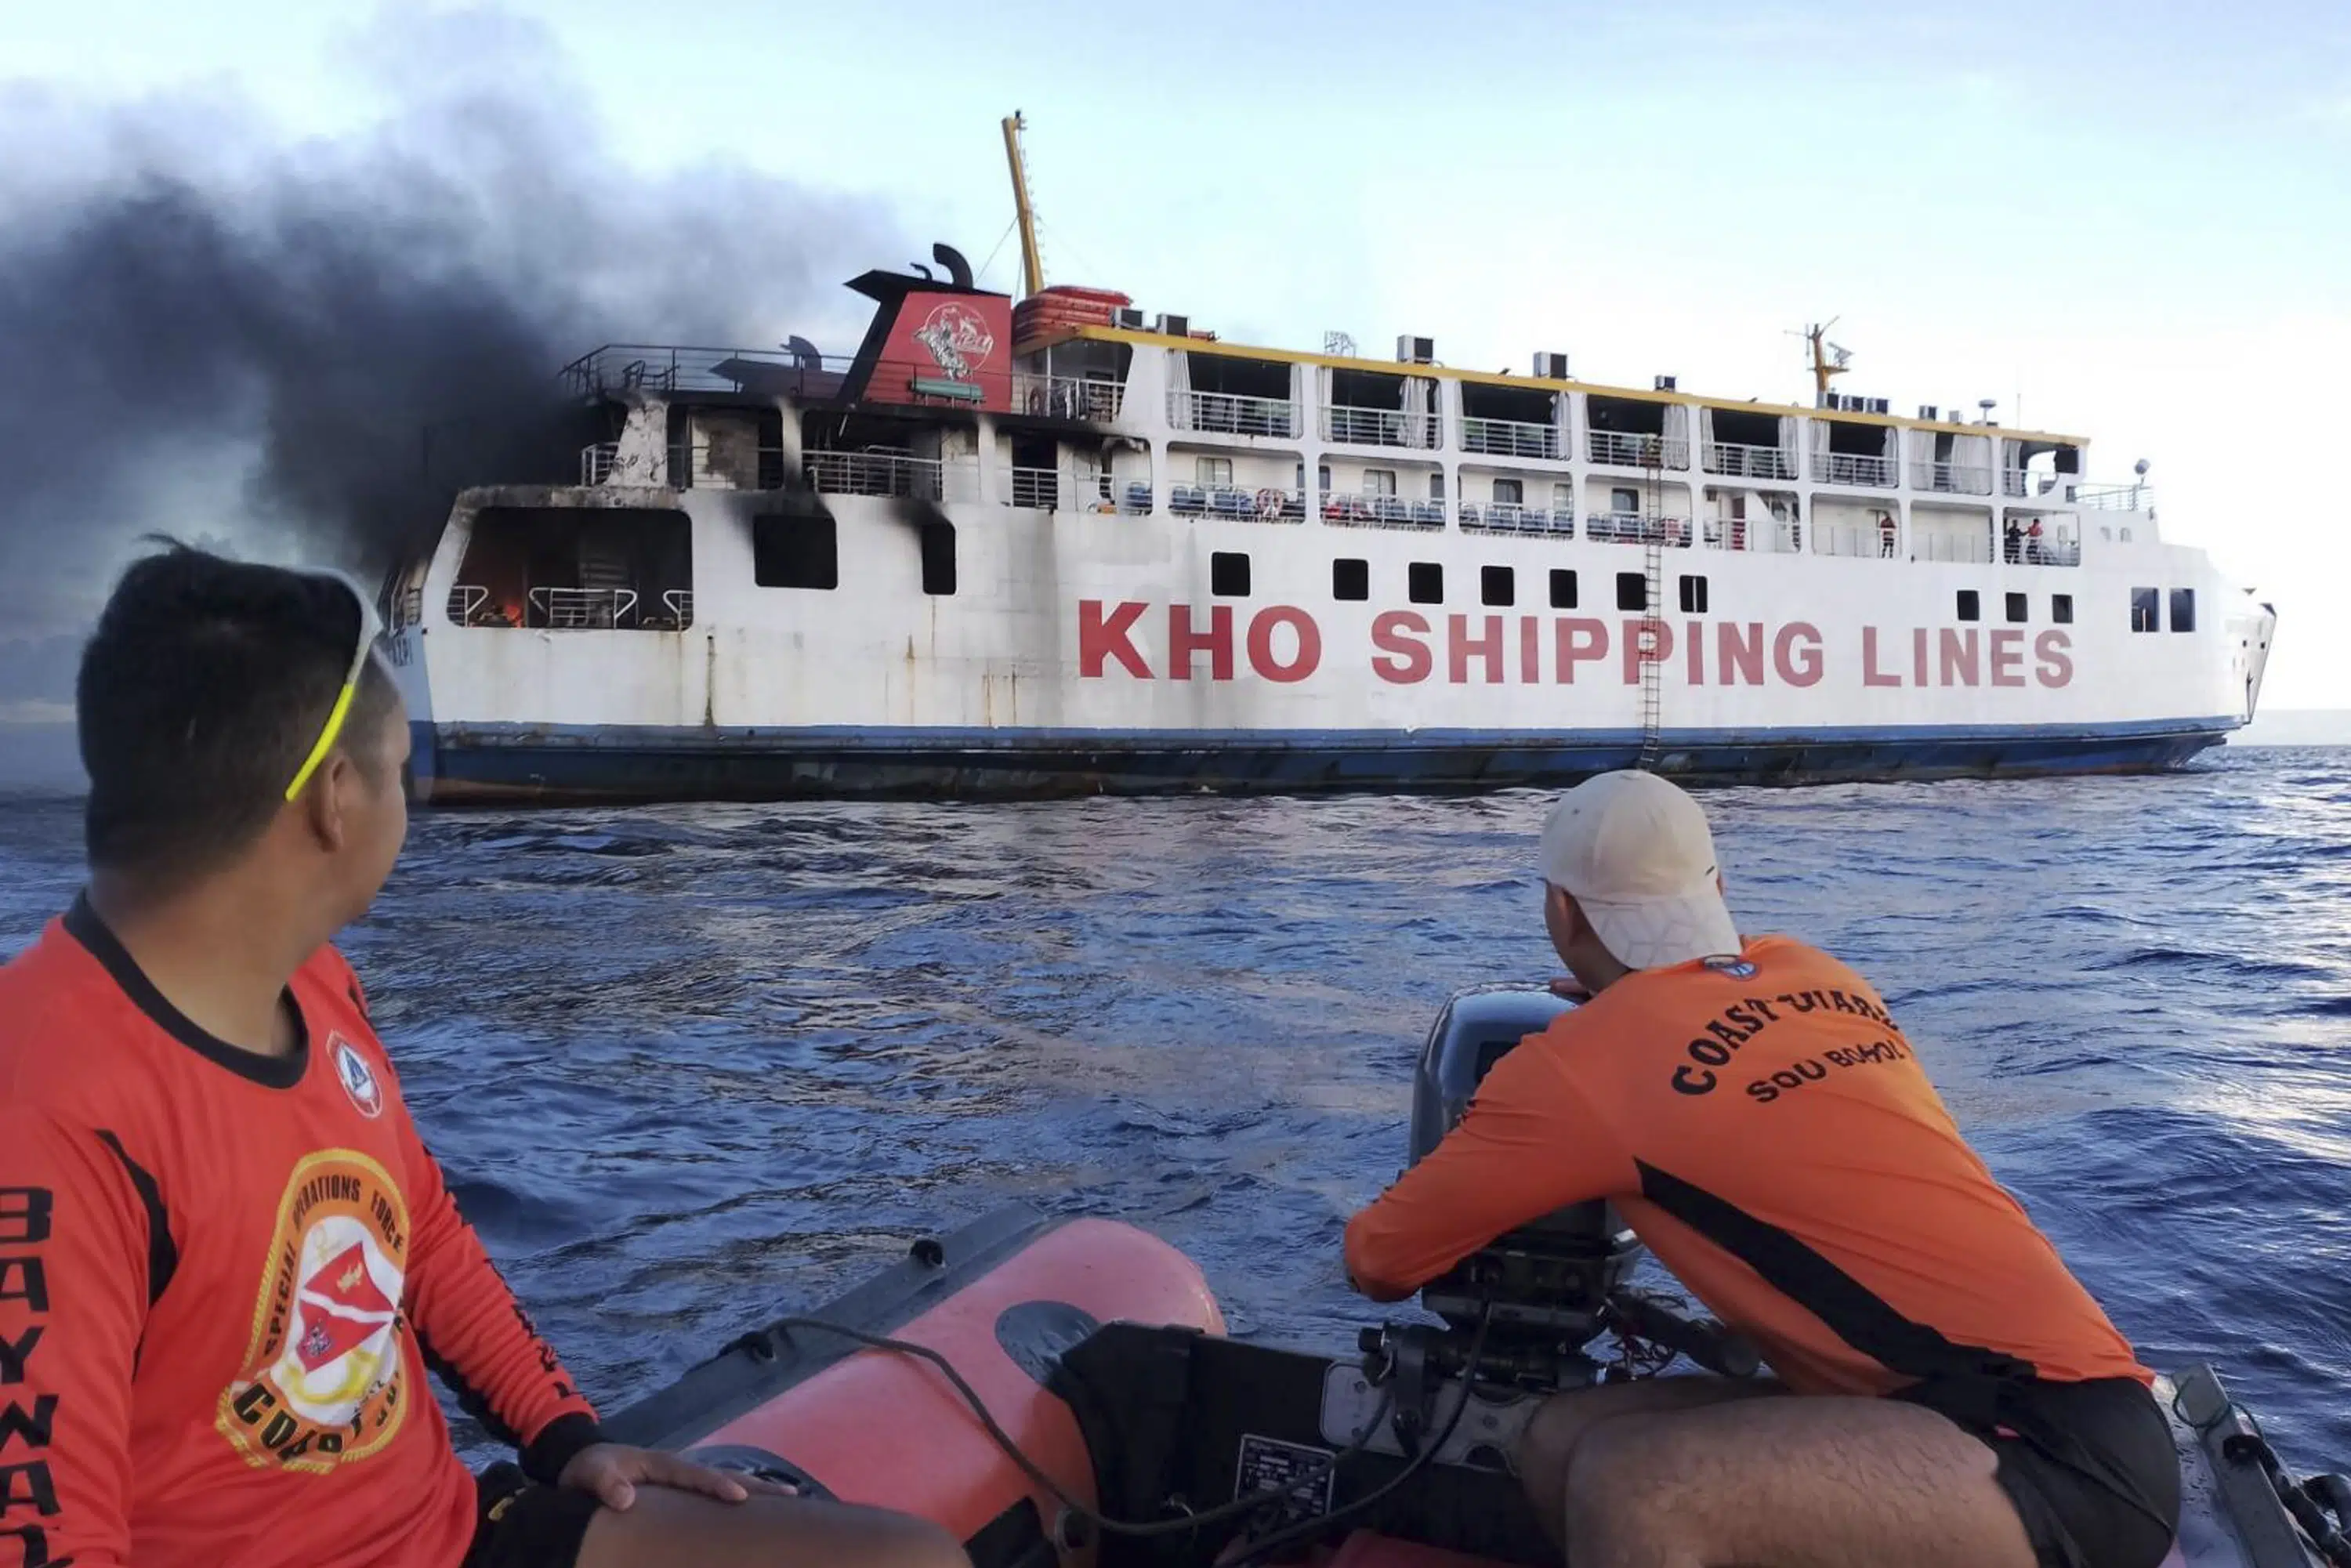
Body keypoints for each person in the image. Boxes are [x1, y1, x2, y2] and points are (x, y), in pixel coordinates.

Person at [0, 545, 970, 1568]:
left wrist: (565, 1437)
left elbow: (418, 1234)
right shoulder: (47, 1109)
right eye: (401, 774)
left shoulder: (316, 983)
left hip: (452, 1534)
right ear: (336, 799)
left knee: (911, 1561)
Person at [1342, 770, 2179, 1568]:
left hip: (2050, 1451)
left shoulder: (1575, 1066)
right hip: (2009, 1412)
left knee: (1642, 1493)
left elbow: (1378, 1262)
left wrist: (1586, 1038)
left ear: (1563, 913)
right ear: (1716, 884)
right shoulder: (1817, 975)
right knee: (1561, 1440)